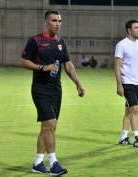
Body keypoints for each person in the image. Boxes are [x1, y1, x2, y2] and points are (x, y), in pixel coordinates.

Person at [20, 10, 85, 176]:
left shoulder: (61, 42)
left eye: (60, 21)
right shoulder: (35, 41)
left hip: (57, 90)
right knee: (51, 124)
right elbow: (24, 62)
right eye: (55, 20)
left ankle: (38, 163)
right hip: (40, 89)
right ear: (46, 23)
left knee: (46, 127)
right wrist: (43, 67)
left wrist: (77, 82)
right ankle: (54, 163)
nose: (58, 24)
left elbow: (68, 64)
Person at [114, 19, 138, 148]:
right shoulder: (121, 45)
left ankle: (123, 137)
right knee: (135, 109)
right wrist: (119, 85)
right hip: (127, 82)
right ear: (129, 30)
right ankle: (136, 138)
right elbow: (117, 65)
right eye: (136, 27)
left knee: (128, 111)